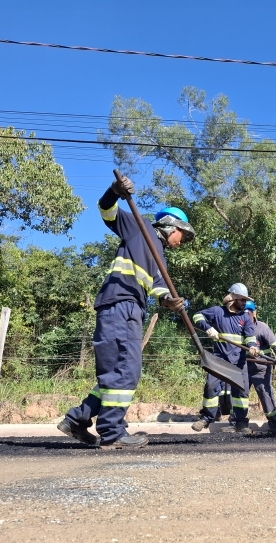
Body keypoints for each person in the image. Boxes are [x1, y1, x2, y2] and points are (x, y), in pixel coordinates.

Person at [58, 175, 194, 449]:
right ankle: (112, 433)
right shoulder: (140, 227)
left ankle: (78, 418)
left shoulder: (159, 257)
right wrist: (114, 191)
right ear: (170, 226)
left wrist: (169, 300)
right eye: (184, 234)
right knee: (125, 371)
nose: (184, 241)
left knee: (115, 373)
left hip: (128, 310)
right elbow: (107, 211)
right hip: (120, 306)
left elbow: (156, 288)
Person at [191, 283, 260, 433]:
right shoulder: (217, 312)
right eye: (241, 300)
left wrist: (253, 347)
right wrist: (208, 328)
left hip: (239, 362)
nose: (244, 303)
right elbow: (196, 316)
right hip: (219, 359)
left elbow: (249, 336)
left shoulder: (245, 318)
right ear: (233, 298)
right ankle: (206, 418)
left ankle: (240, 422)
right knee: (211, 386)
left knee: (241, 393)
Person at [244, 301, 276, 432]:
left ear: (253, 314)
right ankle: (237, 421)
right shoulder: (238, 327)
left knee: (265, 393)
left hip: (261, 367)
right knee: (240, 393)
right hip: (243, 367)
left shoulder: (262, 328)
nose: (246, 317)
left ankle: (273, 422)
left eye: (248, 314)